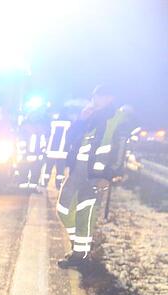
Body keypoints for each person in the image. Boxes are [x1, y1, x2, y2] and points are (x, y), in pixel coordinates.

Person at [56, 86, 137, 268]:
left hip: (96, 175)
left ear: (110, 98)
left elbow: (120, 148)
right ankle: (78, 244)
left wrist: (108, 176)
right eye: (94, 96)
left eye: (100, 96)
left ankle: (81, 256)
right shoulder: (89, 116)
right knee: (63, 209)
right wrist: (80, 120)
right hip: (77, 170)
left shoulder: (117, 117)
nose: (95, 99)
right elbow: (70, 139)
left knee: (85, 213)